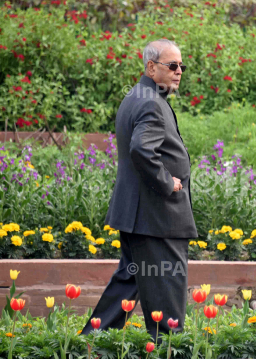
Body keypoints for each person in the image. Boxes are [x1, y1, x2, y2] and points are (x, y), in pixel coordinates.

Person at [80, 39, 198, 344]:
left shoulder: (138, 95)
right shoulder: (149, 101)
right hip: (157, 218)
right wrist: (166, 182)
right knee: (167, 291)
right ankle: (169, 348)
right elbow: (142, 150)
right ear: (151, 67)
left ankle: (89, 345)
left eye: (181, 66)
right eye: (172, 66)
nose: (179, 71)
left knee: (128, 281)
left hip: (140, 216)